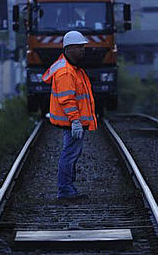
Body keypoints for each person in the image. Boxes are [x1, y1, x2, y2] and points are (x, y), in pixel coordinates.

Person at [42, 30, 97, 200]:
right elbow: (67, 100)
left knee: (71, 153)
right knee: (69, 154)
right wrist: (75, 121)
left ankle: (68, 187)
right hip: (72, 122)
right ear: (69, 48)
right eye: (80, 47)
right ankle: (65, 189)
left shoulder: (73, 68)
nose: (83, 50)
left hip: (73, 121)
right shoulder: (66, 72)